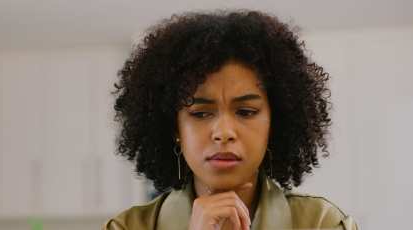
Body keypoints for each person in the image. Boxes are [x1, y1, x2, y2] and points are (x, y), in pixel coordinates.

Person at [103, 10, 358, 230]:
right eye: (200, 113)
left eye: (246, 112)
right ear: (174, 128)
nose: (223, 132)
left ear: (274, 123)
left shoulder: (324, 223)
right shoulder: (126, 227)